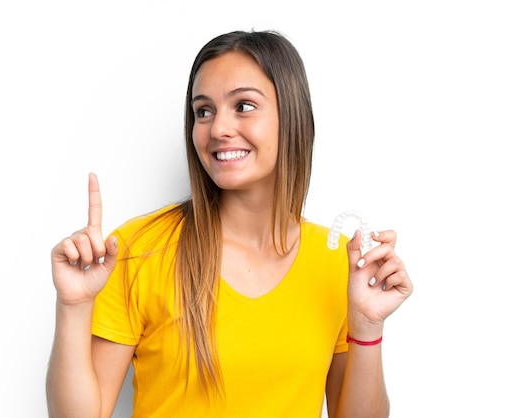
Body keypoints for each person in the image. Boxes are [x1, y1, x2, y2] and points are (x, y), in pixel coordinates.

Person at [46, 29, 413, 418]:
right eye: (203, 111)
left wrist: (367, 327)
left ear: (291, 116)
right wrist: (73, 305)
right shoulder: (141, 249)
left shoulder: (338, 261)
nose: (218, 128)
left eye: (243, 106)